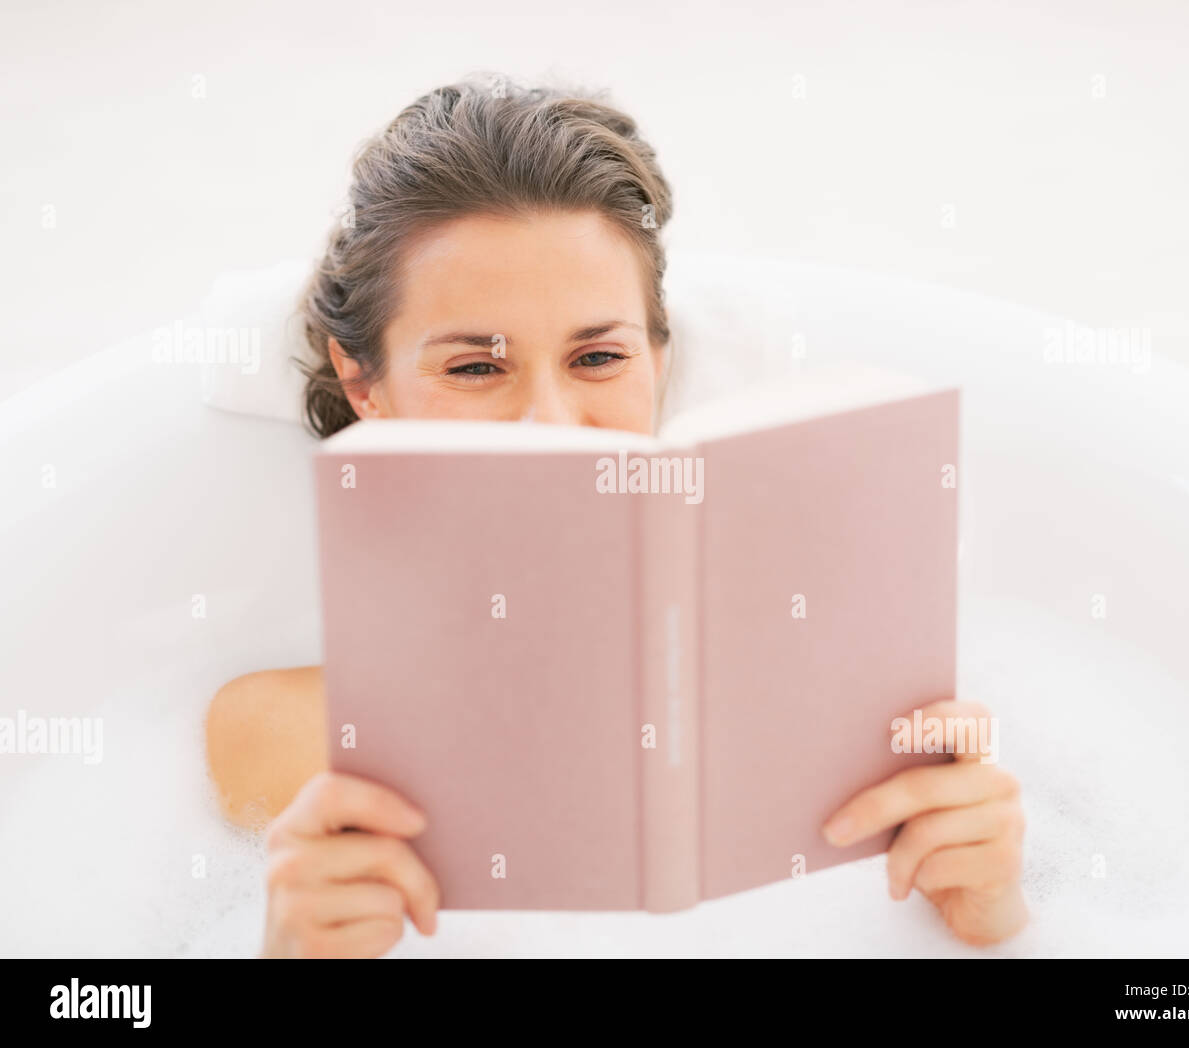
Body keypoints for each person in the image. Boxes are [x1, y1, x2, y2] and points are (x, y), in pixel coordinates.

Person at [205, 74, 1028, 958]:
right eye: (476, 369)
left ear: (657, 360)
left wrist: (991, 918)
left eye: (598, 356)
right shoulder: (289, 743)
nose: (551, 426)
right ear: (363, 383)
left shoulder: (834, 684)